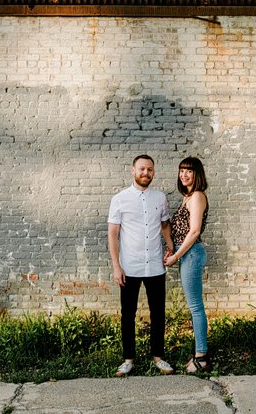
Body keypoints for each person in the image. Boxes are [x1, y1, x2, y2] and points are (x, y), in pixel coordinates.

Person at [107, 154, 175, 377]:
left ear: (154, 172)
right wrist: (116, 266)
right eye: (142, 169)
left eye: (150, 170)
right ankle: (128, 359)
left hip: (155, 265)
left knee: (158, 313)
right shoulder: (119, 199)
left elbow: (165, 225)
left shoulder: (160, 197)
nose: (146, 173)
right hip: (130, 267)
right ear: (133, 170)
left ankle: (158, 356)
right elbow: (113, 234)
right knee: (128, 314)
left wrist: (170, 246)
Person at [164, 156, 211, 373]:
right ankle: (199, 354)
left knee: (195, 306)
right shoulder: (187, 197)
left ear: (197, 174)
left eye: (189, 171)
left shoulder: (198, 197)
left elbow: (194, 232)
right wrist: (172, 249)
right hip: (186, 254)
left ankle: (201, 358)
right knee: (194, 306)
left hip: (192, 254)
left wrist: (176, 256)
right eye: (181, 170)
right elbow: (180, 231)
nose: (184, 174)